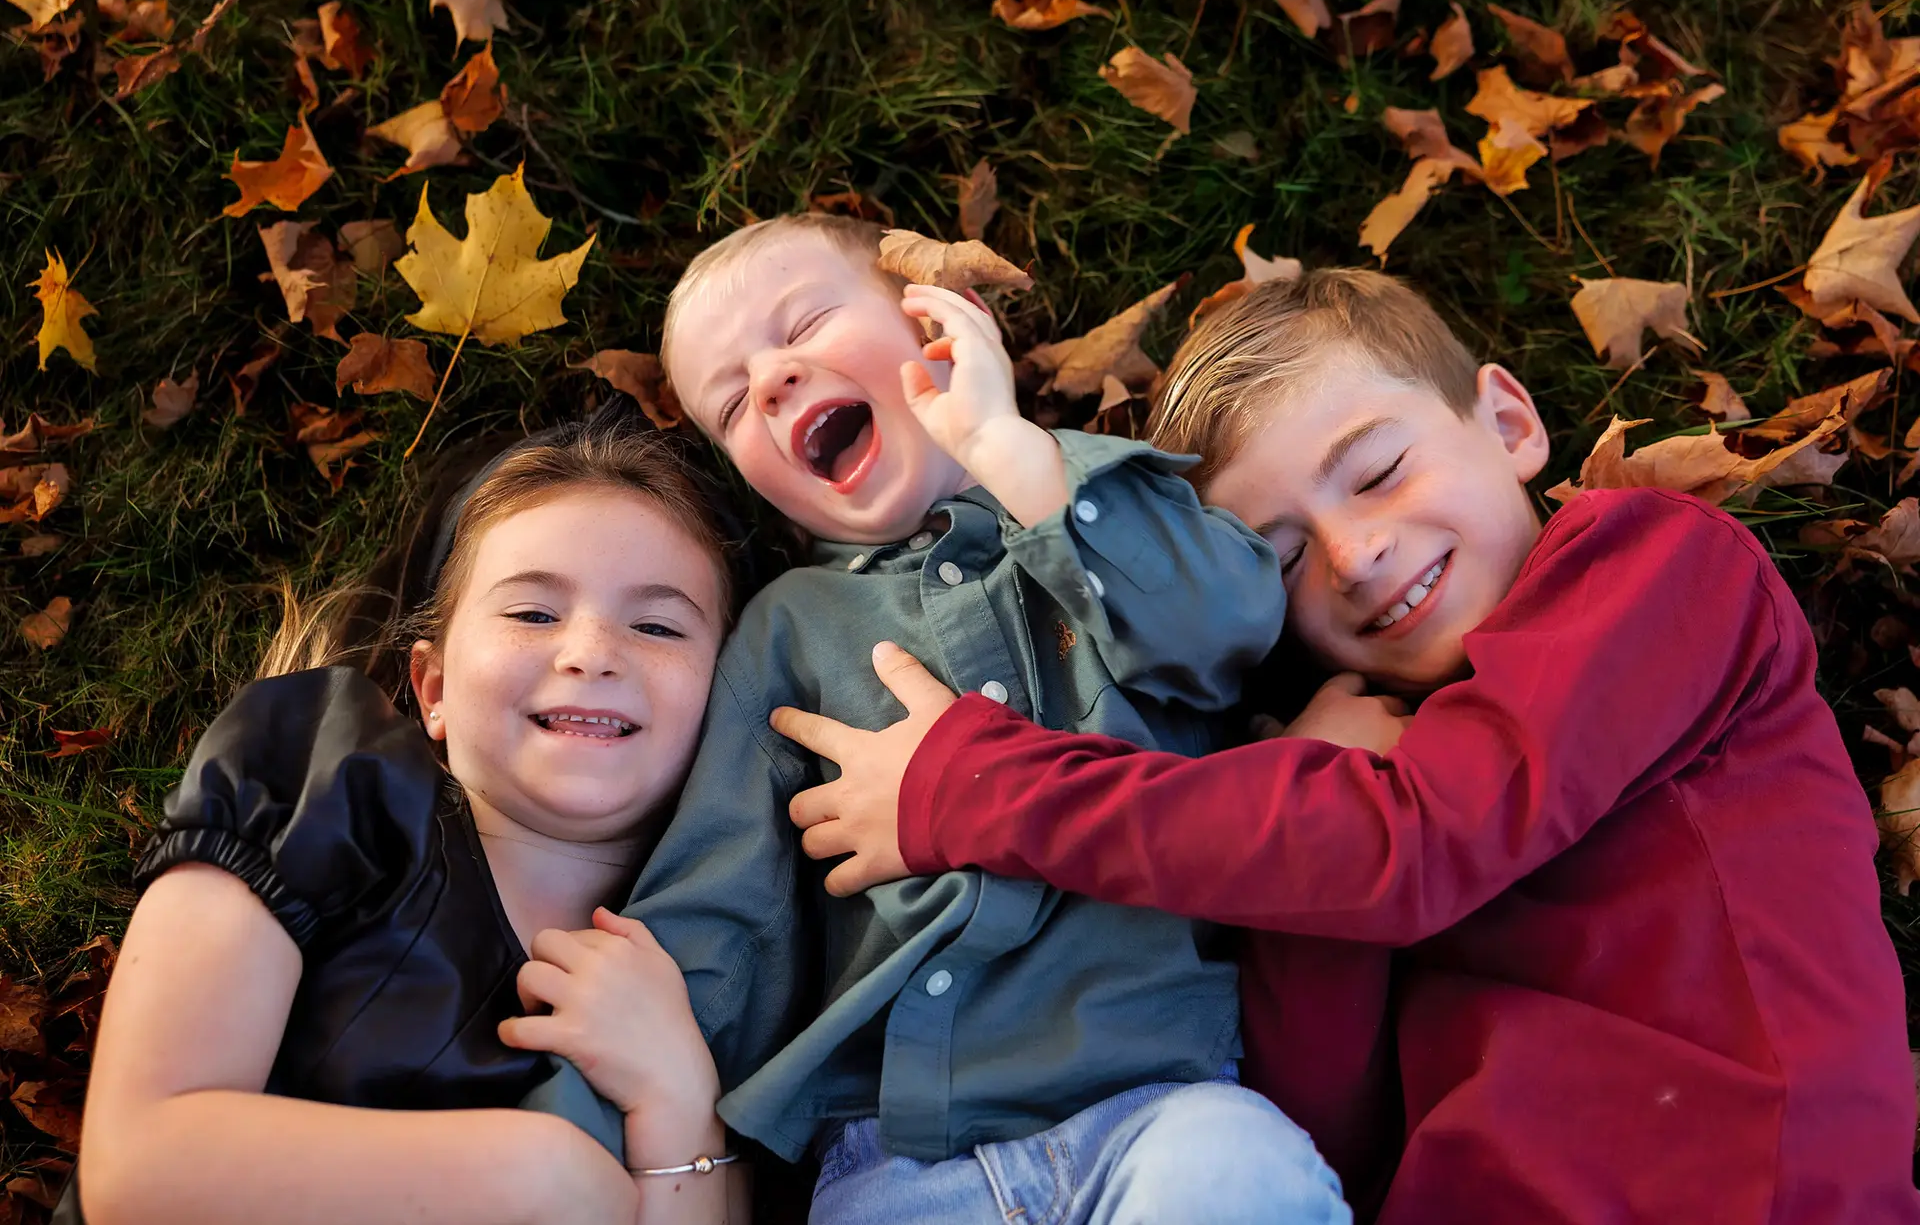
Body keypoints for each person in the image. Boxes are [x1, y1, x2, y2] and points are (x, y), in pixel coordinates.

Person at [769, 270, 1920, 1225]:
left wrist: (980, 788)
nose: (1356, 553)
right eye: (1279, 555)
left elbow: (1417, 849)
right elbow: (1317, 1108)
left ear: (1509, 423)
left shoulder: (1655, 568)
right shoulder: (1335, 785)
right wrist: (1306, 792)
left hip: (1737, 1184)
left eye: (1378, 472)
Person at [529, 213, 1352, 1224]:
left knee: (1245, 1175)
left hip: (1160, 1105)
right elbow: (724, 886)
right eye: (733, 399)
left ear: (936, 323)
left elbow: (1227, 621)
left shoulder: (1095, 496)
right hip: (900, 1162)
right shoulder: (791, 630)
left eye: (807, 323)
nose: (776, 378)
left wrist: (1007, 446)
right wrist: (617, 1051)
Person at [66, 414, 749, 1225]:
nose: (592, 651)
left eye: (658, 625)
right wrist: (542, 1181)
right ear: (432, 691)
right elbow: (139, 1164)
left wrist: (678, 1094)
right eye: (533, 614)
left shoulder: (714, 956)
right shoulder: (325, 785)